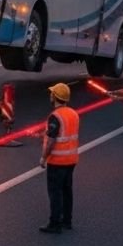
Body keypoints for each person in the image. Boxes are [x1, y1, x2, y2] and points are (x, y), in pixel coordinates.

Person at [39, 83, 79, 234]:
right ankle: (67, 221)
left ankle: (54, 223)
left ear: (55, 97)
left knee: (55, 193)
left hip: (57, 161)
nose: (50, 95)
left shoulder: (55, 116)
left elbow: (52, 140)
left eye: (51, 93)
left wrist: (44, 157)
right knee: (67, 191)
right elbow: (66, 134)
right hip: (71, 159)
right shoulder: (73, 113)